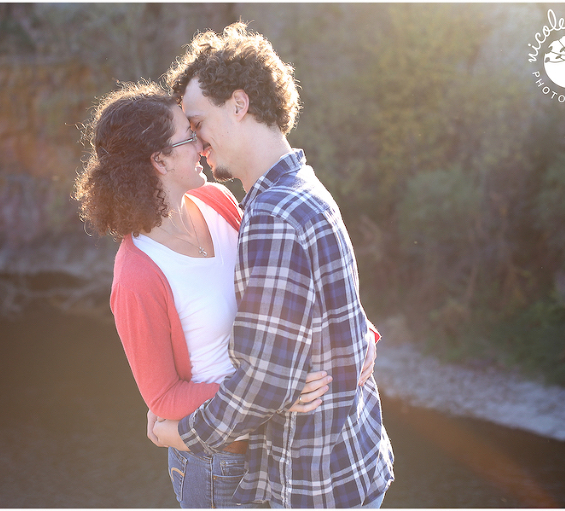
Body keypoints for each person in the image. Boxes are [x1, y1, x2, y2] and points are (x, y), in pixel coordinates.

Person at [72, 81, 367, 508]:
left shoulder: (217, 200)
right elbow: (164, 399)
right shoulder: (137, 274)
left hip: (273, 446)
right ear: (160, 161)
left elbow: (291, 274)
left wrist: (360, 329)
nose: (202, 145)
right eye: (189, 135)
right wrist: (274, 391)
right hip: (216, 463)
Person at [152, 22, 395, 508]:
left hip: (312, 485)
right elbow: (327, 310)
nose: (197, 143)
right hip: (354, 464)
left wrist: (180, 433)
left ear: (239, 105)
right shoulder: (303, 185)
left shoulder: (272, 215)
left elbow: (264, 382)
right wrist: (358, 341)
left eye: (198, 123)